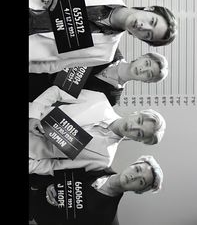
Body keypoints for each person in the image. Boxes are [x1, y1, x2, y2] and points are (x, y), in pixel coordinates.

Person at [29, 0, 177, 73]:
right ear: (149, 9)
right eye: (152, 21)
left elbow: (53, 65)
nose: (143, 26)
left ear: (142, 39)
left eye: (148, 35)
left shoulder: (105, 54)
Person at [29, 87, 166, 175]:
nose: (133, 127)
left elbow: (56, 166)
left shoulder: (104, 159)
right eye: (139, 121)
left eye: (139, 133)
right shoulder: (100, 100)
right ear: (137, 113)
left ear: (138, 140)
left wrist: (31, 166)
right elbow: (58, 92)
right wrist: (34, 114)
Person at [29, 155, 163, 225]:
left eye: (141, 182)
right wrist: (48, 184)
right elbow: (57, 163)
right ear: (132, 165)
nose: (134, 176)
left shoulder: (106, 217)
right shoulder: (98, 164)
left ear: (139, 191)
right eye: (137, 169)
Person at [29, 49, 168, 104]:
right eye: (147, 63)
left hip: (37, 95)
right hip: (39, 61)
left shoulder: (112, 98)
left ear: (146, 81)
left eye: (148, 74)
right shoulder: (111, 50)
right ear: (142, 56)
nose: (142, 69)